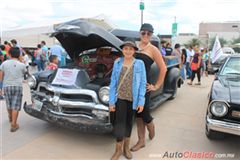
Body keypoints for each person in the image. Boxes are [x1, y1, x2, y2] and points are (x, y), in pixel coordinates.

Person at [131, 23, 167, 151]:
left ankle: (151, 126)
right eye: (143, 33)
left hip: (145, 86)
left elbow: (163, 68)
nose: (146, 35)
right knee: (137, 114)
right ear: (139, 33)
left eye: (149, 33)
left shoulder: (153, 49)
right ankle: (141, 141)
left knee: (144, 113)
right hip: (133, 85)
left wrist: (156, 86)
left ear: (151, 35)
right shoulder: (134, 47)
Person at [109, 39, 147, 160]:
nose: (128, 51)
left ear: (134, 50)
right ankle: (118, 150)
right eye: (126, 48)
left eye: (131, 49)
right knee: (120, 123)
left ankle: (126, 148)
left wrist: (141, 101)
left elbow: (142, 83)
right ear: (122, 50)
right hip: (119, 98)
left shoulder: (139, 63)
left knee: (129, 123)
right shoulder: (118, 62)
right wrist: (111, 102)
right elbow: (113, 83)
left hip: (133, 99)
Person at [0, 47, 27, 132]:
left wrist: (0, 87)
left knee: (9, 103)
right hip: (17, 86)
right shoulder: (22, 65)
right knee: (15, 106)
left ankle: (10, 117)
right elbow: (24, 72)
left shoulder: (4, 64)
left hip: (7, 86)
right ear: (19, 55)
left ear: (9, 54)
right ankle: (14, 124)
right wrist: (21, 61)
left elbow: (1, 76)